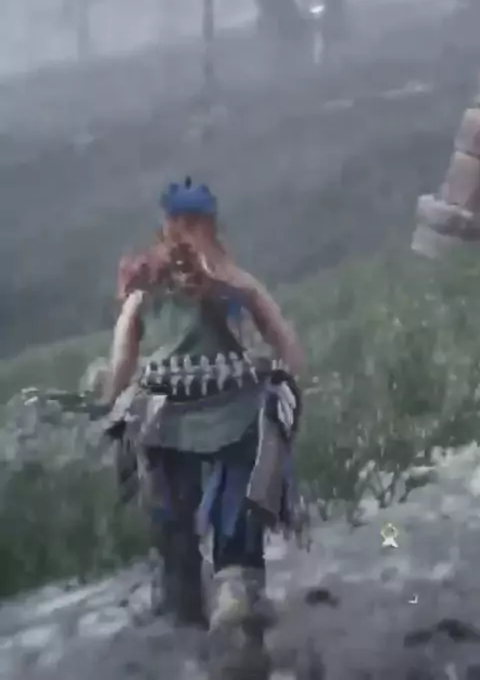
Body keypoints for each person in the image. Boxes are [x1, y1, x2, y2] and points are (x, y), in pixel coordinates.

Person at [103, 178, 304, 672]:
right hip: (170, 424)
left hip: (230, 416)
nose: (186, 232)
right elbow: (124, 352)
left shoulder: (229, 283)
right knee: (177, 530)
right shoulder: (153, 290)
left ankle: (229, 612)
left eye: (193, 222)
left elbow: (283, 341)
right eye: (181, 222)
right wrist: (113, 401)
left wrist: (286, 384)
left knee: (230, 521)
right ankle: (196, 609)